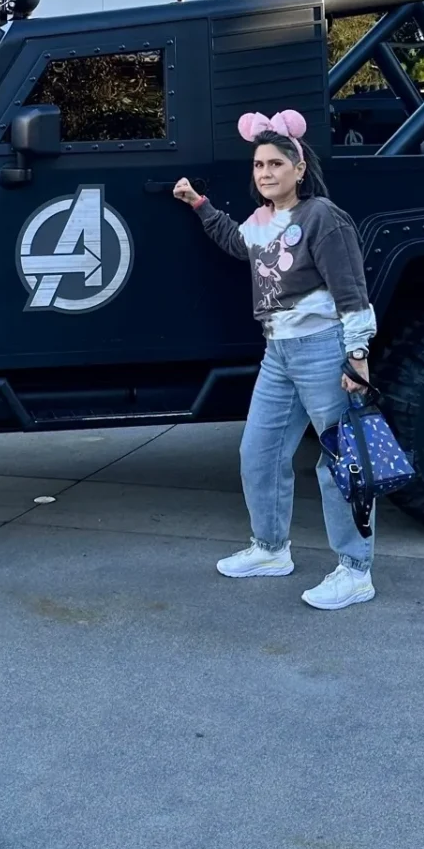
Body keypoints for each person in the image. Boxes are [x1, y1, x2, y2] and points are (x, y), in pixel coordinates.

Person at [173, 109, 379, 611]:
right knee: (259, 453)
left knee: (340, 462)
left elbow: (351, 292)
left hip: (322, 349)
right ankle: (270, 550)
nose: (265, 173)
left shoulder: (322, 217)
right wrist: (199, 204)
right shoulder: (263, 221)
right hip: (278, 354)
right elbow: (235, 242)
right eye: (259, 165)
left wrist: (357, 360)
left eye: (275, 164)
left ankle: (355, 571)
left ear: (299, 166)